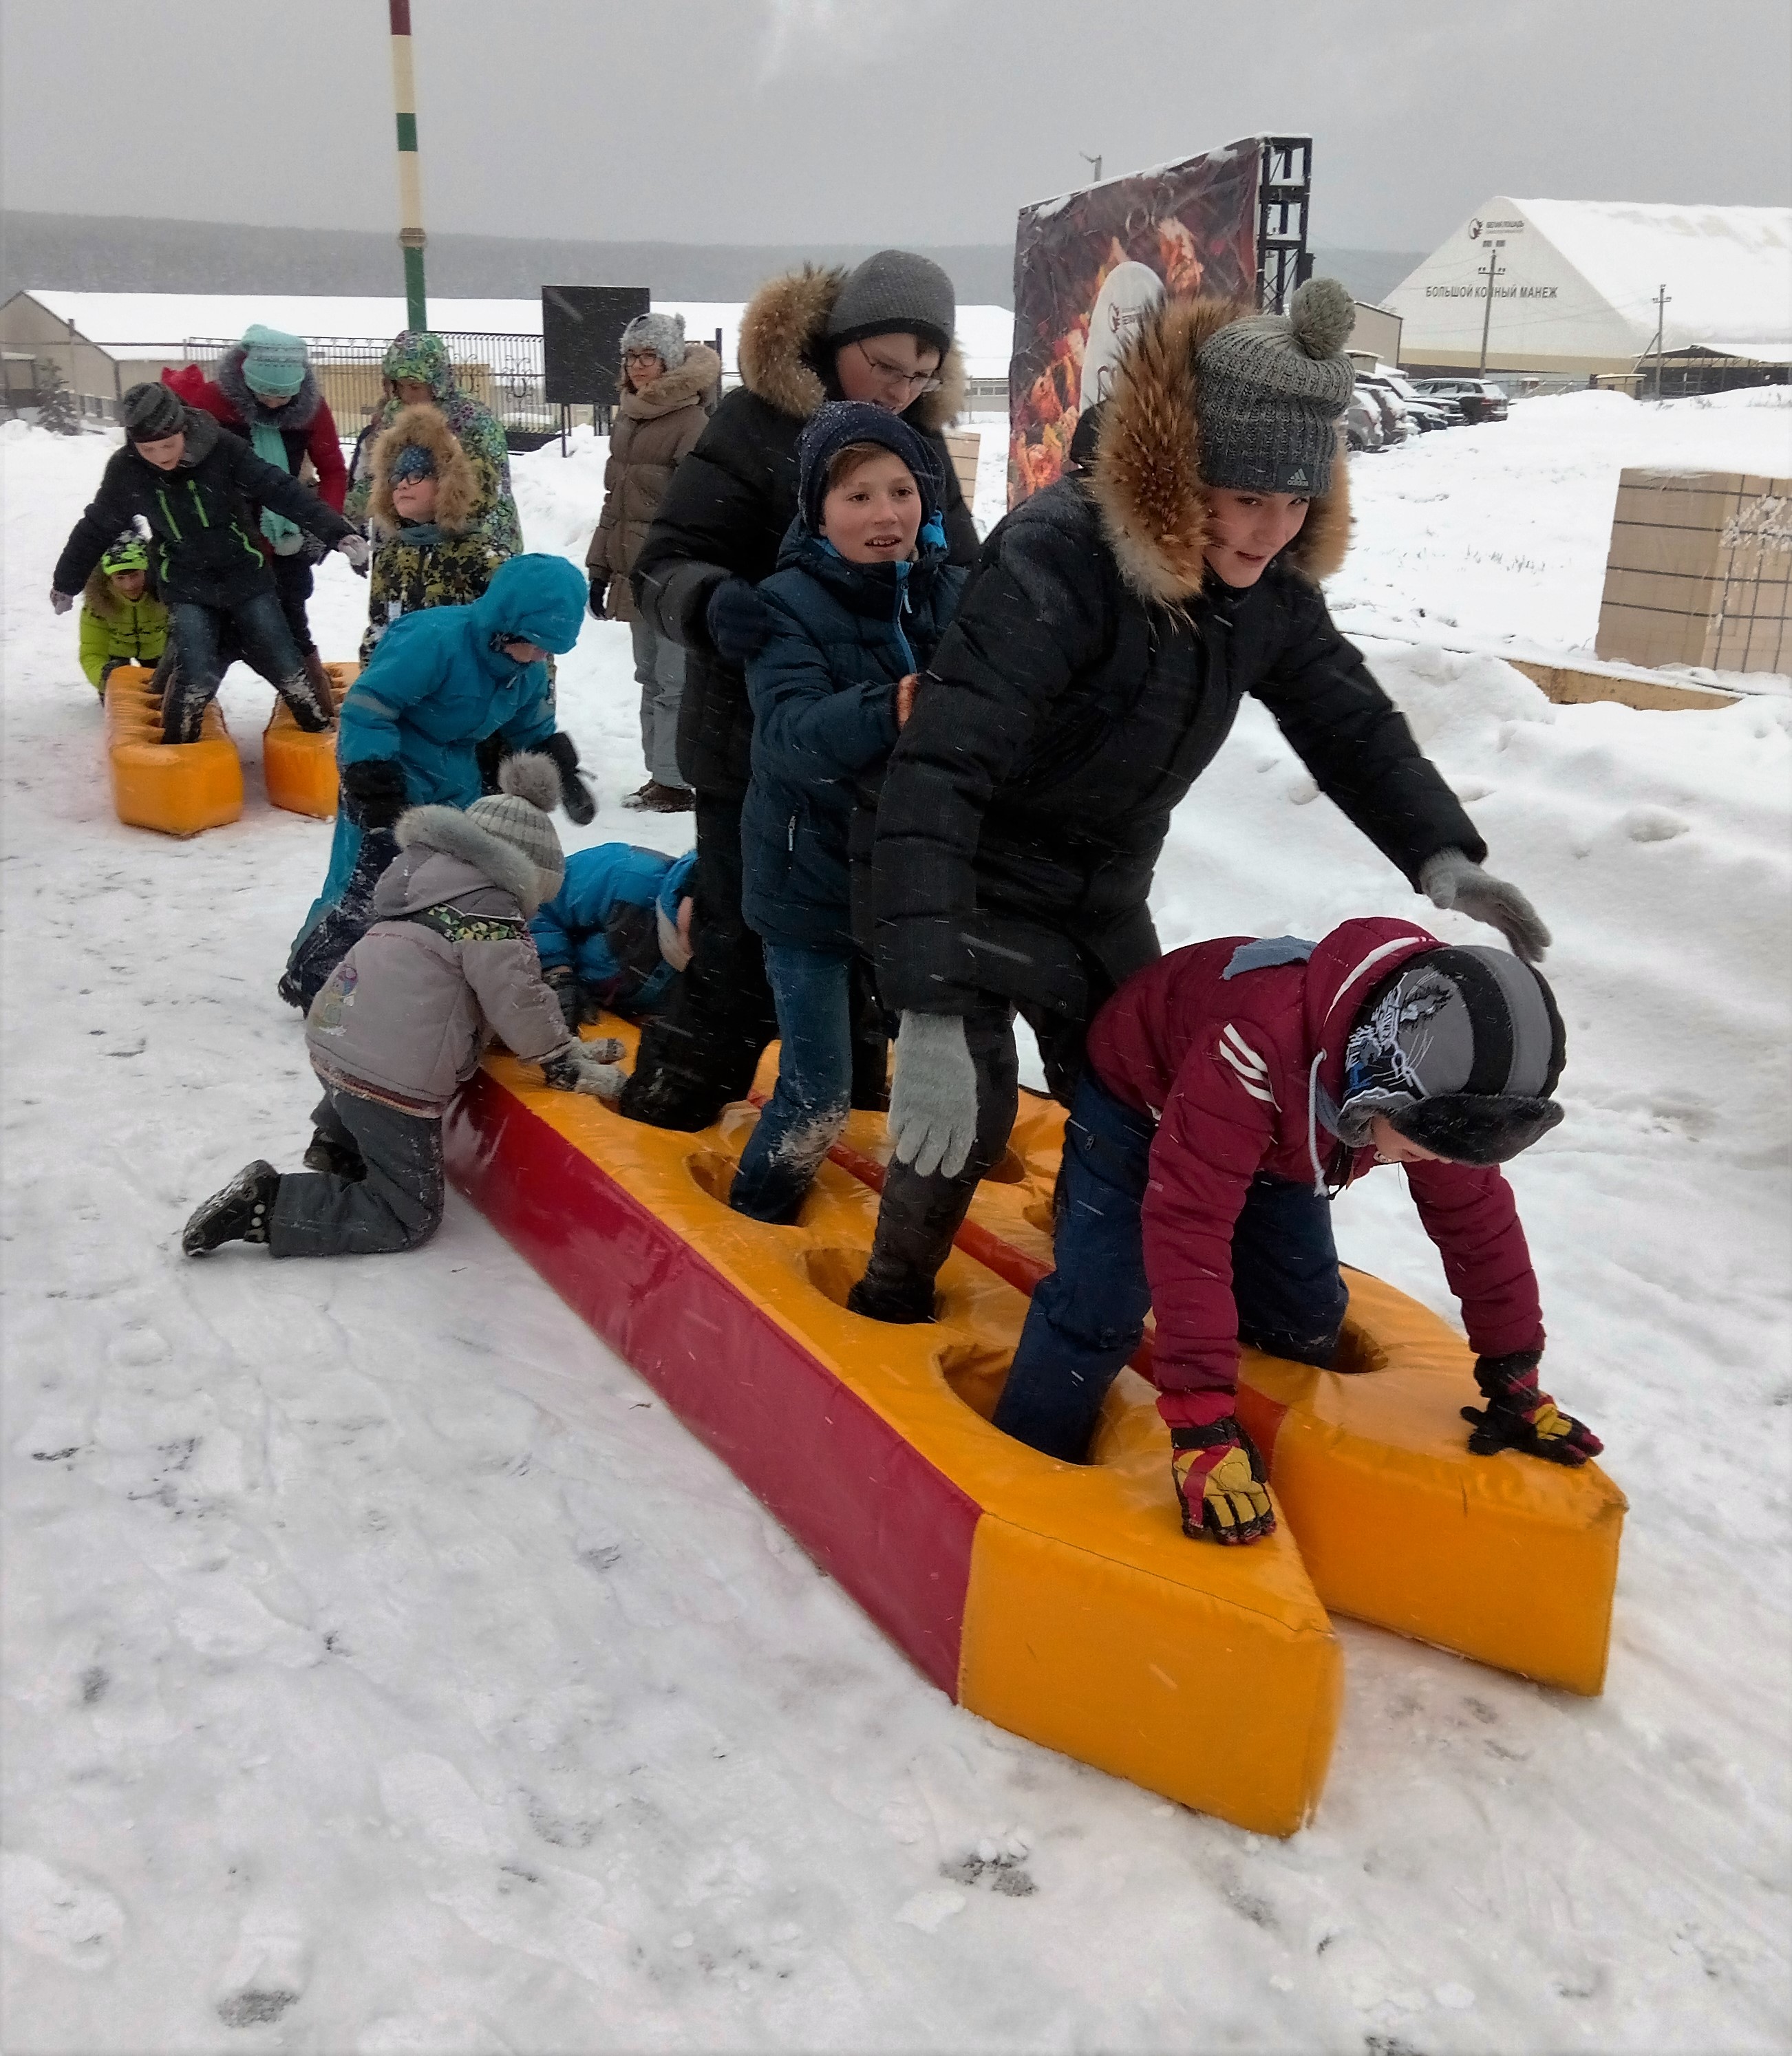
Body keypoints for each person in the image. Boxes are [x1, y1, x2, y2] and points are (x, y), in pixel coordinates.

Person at [850, 279, 1551, 1325]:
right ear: (1183, 479)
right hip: (973, 880)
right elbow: (939, 775)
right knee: (967, 1108)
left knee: (1138, 1098)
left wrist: (1441, 853)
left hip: (1101, 889)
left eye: (1295, 501)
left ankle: (1099, 1279)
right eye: (1245, 497)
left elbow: (1346, 721)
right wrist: (933, 1008)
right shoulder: (1057, 563)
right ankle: (892, 1292)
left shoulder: (1264, 592)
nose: (1270, 531)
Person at [990, 919, 1603, 1542]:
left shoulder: (1445, 1098)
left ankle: (1260, 1448)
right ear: (1379, 1082)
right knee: (1103, 1303)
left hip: (1284, 1138)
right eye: (1430, 1145)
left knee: (1305, 1317)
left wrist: (1513, 1368)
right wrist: (1200, 1423)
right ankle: (1027, 1467)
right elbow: (1190, 1224)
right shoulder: (1256, 1045)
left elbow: (1476, 1223)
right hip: (1140, 1103)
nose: (1445, 1163)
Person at [622, 250, 981, 1132]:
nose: (898, 389)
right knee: (742, 943)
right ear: (837, 340)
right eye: (884, 365)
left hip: (871, 753)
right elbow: (662, 561)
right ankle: (673, 1114)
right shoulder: (754, 423)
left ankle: (847, 1118)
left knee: (861, 950)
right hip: (756, 740)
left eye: (921, 374)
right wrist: (711, 601)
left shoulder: (919, 437)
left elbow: (960, 565)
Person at [183, 756, 624, 1261]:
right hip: (388, 1077)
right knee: (407, 1216)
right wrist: (558, 1055)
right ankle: (270, 1204)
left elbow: (444, 987)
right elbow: (517, 997)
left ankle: (340, 1144)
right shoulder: (491, 914)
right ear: (524, 876)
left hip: (336, 1037)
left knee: (365, 1079)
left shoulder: (423, 890)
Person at [725, 403, 967, 1224]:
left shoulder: (953, 591)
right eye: (857, 496)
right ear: (818, 512)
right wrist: (893, 707)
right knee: (816, 1095)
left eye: (900, 491)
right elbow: (792, 733)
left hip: (907, 885)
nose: (884, 515)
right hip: (809, 884)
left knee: (918, 1081)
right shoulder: (784, 603)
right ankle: (755, 1219)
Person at [279, 553, 593, 1012]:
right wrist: (373, 778)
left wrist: (562, 767)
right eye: (537, 643)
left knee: (442, 886)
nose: (542, 656)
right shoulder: (434, 640)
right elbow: (371, 706)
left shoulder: (525, 673)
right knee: (366, 884)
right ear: (507, 625)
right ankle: (314, 979)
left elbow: (532, 728)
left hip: (456, 779)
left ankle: (407, 973)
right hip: (390, 770)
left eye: (551, 648)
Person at [50, 382, 363, 745]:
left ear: (183, 427)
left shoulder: (222, 449)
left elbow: (279, 488)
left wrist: (337, 533)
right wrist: (66, 582)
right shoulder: (128, 471)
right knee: (195, 675)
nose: (160, 456)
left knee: (287, 665)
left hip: (245, 578)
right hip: (186, 586)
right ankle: (178, 751)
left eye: (168, 445)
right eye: (148, 449)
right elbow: (96, 526)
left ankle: (319, 733)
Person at [162, 325, 349, 711]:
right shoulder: (213, 402)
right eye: (266, 392)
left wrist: (323, 525)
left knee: (293, 618)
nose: (277, 403)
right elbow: (180, 472)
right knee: (204, 630)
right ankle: (177, 696)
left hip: (287, 533)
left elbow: (332, 469)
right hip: (223, 536)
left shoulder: (311, 410)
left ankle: (316, 706)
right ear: (245, 378)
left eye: (286, 394)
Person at [584, 312, 722, 813]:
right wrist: (600, 568)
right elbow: (614, 505)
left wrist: (683, 569)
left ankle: (676, 779)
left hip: (672, 575)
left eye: (650, 356)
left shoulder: (691, 422)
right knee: (649, 677)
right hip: (634, 574)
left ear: (670, 362)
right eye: (632, 355)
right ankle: (658, 773)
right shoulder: (630, 416)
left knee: (676, 681)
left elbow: (699, 508)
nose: (639, 366)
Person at [345, 331, 522, 561]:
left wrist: (487, 547)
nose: (407, 395)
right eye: (399, 386)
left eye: (415, 387)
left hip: (465, 543)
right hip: (405, 540)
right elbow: (380, 475)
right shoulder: (393, 415)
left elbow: (492, 488)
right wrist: (344, 514)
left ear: (437, 382)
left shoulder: (473, 419)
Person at [358, 403, 505, 663]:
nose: (402, 484)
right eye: (397, 476)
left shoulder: (483, 557)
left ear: (451, 482)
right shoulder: (390, 555)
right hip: (403, 694)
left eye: (416, 474)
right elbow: (378, 629)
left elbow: (517, 637)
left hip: (462, 695)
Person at [530, 844, 698, 1030]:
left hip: (619, 1029)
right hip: (534, 997)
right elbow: (536, 904)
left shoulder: (724, 966)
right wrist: (558, 973)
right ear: (689, 888)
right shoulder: (627, 877)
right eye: (701, 913)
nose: (701, 931)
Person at [78, 534, 169, 696]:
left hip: (159, 652)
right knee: (117, 693)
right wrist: (103, 676)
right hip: (114, 656)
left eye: (135, 575)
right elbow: (92, 652)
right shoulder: (98, 603)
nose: (129, 586)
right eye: (120, 578)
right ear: (109, 578)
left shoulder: (169, 595)